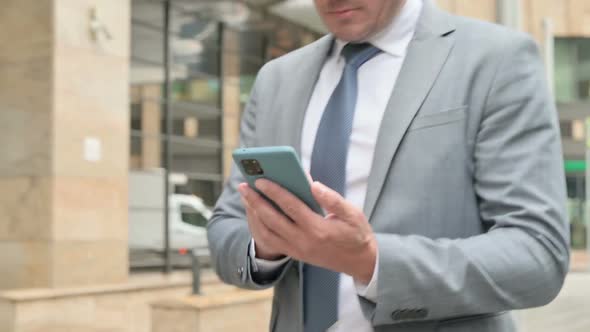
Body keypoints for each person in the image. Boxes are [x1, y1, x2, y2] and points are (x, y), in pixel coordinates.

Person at [207, 0, 570, 331]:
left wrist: (373, 262)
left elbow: (537, 255)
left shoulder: (496, 59)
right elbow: (226, 229)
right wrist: (268, 247)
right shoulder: (276, 79)